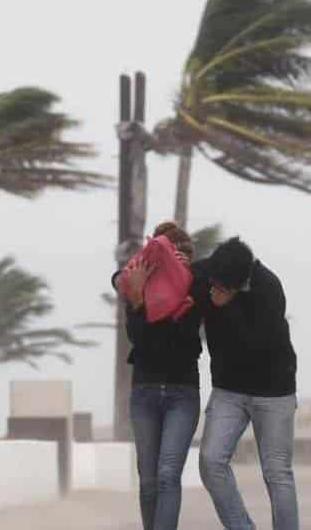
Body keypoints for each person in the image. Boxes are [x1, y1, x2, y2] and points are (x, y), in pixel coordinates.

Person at [193, 237, 299, 530]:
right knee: (211, 461)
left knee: (277, 472)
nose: (212, 288)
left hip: (274, 390)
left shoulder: (270, 288)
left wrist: (227, 306)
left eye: (221, 286)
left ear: (238, 284)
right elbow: (177, 277)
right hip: (229, 390)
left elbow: (256, 347)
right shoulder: (212, 272)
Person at [112, 221, 202, 530]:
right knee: (148, 480)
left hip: (182, 393)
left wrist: (183, 293)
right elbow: (140, 340)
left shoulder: (194, 291)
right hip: (145, 392)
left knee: (167, 476)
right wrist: (137, 299)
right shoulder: (138, 289)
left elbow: (188, 344)